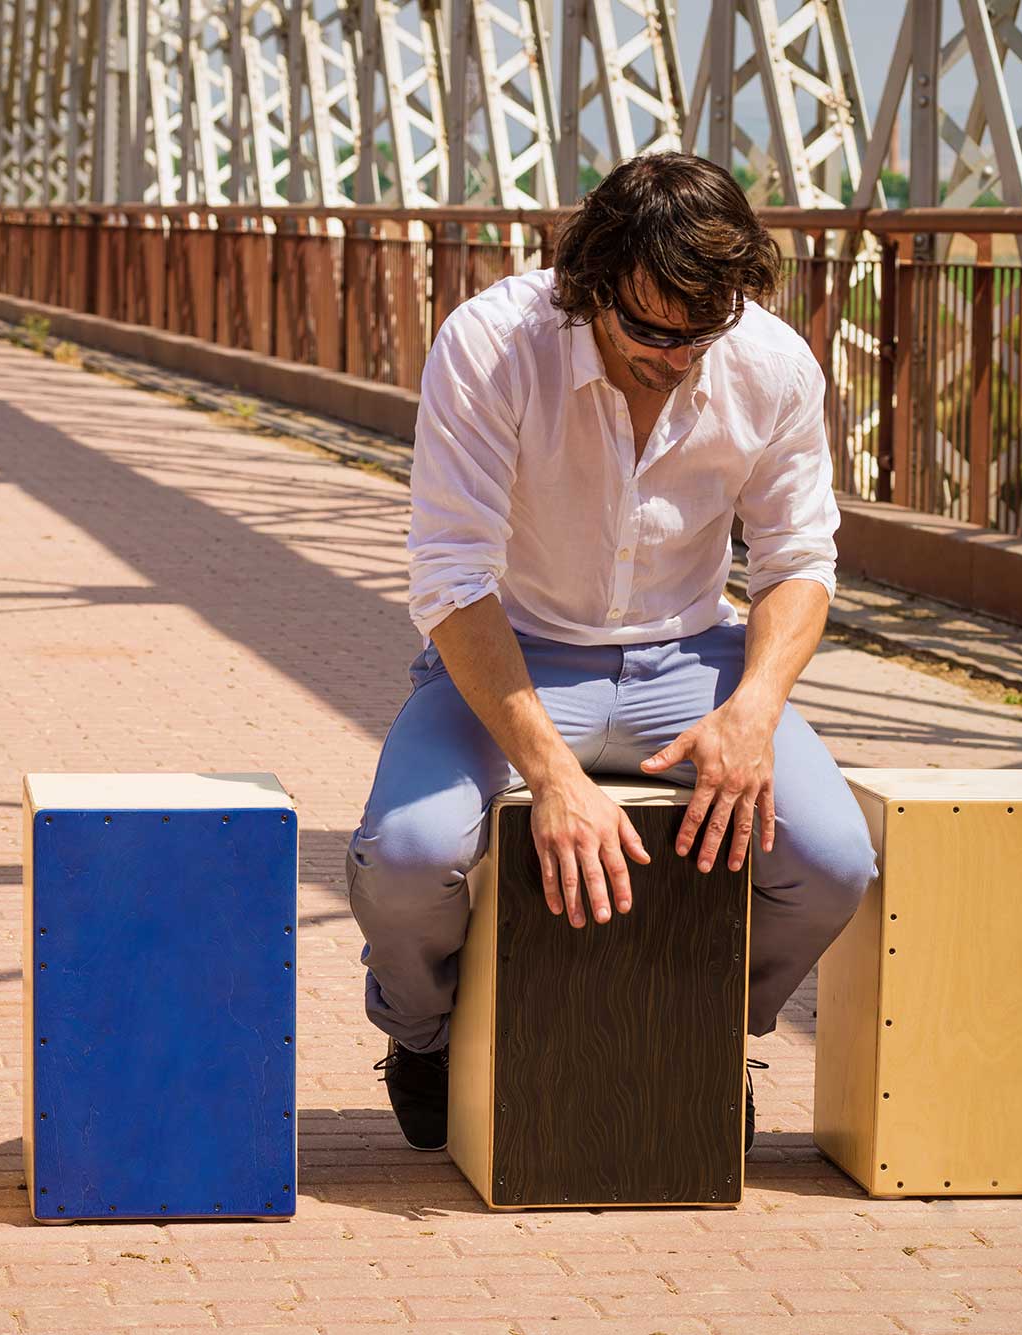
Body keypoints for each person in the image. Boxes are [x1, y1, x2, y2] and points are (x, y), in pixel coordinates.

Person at [347, 152, 878, 1155]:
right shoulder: (493, 344)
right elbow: (451, 582)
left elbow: (800, 560)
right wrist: (548, 775)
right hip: (517, 655)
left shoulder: (768, 363)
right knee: (407, 858)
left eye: (698, 333)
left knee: (832, 862)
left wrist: (754, 709)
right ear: (587, 282)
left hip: (692, 660)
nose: (674, 357)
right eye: (646, 329)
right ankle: (420, 1038)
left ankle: (710, 1029)